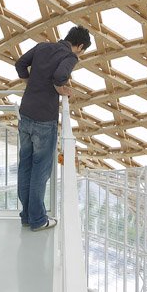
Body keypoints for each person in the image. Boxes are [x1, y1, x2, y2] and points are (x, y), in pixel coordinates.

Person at [14, 24, 93, 232]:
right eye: (82, 51)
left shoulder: (42, 47)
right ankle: (38, 219)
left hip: (26, 113)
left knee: (26, 165)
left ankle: (26, 215)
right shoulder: (70, 56)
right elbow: (60, 75)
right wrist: (61, 88)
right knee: (40, 170)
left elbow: (20, 64)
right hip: (43, 119)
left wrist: (30, 83)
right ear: (80, 46)